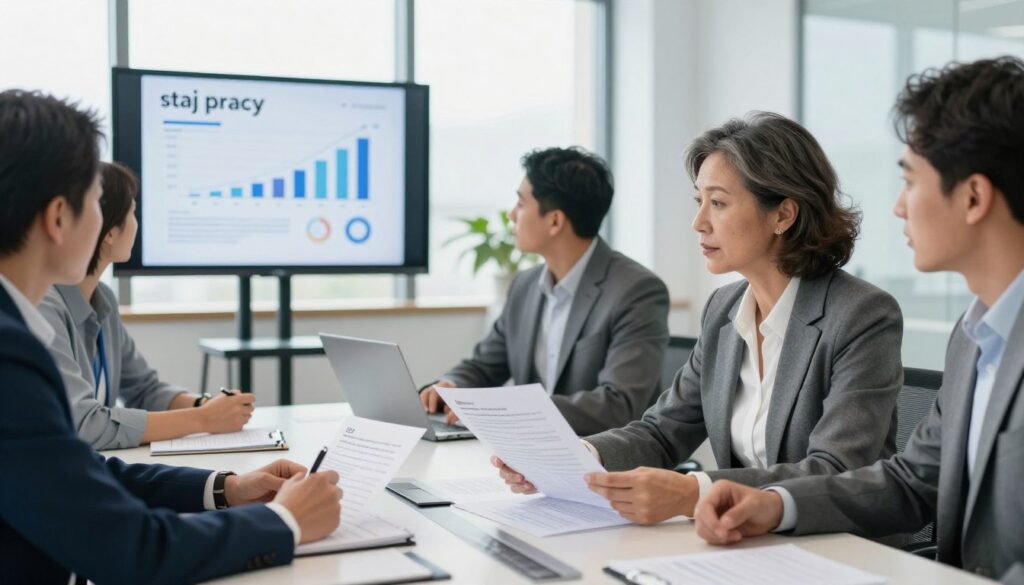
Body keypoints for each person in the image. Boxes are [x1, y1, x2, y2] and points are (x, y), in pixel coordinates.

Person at [693, 57, 1024, 584]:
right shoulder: (973, 336)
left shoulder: (865, 314)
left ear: (974, 196)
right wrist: (776, 504)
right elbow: (914, 483)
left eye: (910, 182)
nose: (897, 208)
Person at [0, 89, 342, 584]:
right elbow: (132, 550)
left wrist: (225, 487)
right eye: (97, 201)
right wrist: (283, 522)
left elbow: (77, 471)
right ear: (58, 217)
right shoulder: (9, 355)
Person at [495, 112, 904, 525]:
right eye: (699, 201)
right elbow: (661, 431)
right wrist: (571, 458)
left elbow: (835, 469)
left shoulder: (861, 314)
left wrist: (694, 492)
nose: (698, 223)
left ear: (783, 215)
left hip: (837, 547)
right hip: (742, 541)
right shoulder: (724, 310)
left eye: (719, 203)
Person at [420, 146, 670, 435]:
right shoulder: (524, 286)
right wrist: (453, 385)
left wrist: (512, 411)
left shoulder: (636, 291)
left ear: (554, 221)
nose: (512, 215)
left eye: (521, 204)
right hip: (529, 457)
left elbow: (618, 404)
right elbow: (485, 365)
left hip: (603, 461)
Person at [39, 161, 253, 450]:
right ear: (110, 232)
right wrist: (203, 419)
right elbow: (84, 424)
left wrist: (207, 406)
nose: (137, 224)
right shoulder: (43, 306)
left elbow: (143, 389)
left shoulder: (104, 300)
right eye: (133, 212)